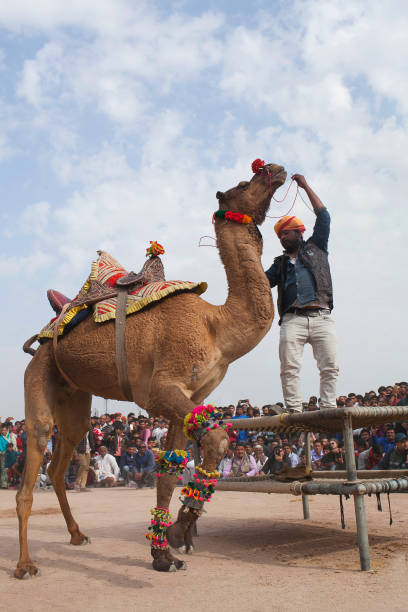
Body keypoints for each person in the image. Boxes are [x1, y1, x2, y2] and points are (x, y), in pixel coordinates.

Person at [265, 174, 338, 413]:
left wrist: (305, 186)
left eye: (286, 233)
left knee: (329, 366)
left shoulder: (316, 246)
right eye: (280, 235)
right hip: (292, 319)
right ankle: (295, 410)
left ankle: (328, 407)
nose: (282, 237)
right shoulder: (279, 263)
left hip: (321, 316)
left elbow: (324, 215)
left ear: (298, 232)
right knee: (289, 368)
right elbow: (261, 283)